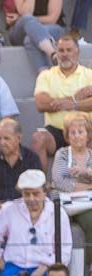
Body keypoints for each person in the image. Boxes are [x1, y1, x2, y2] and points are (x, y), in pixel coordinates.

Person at [0, 169, 72, 276]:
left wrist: (43, 269)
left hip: (47, 267)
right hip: (14, 265)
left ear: (44, 191)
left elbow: (65, 248)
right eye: (26, 194)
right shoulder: (9, 210)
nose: (31, 199)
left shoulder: (57, 212)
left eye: (36, 194)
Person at [31, 32, 92, 174]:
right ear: (56, 53)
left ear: (77, 53)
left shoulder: (89, 75)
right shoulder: (46, 75)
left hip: (86, 128)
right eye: (61, 50)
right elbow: (41, 104)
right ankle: (40, 188)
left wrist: (73, 104)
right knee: (38, 138)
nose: (64, 54)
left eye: (69, 50)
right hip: (56, 130)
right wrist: (74, 99)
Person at [0, 118, 42, 227]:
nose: (2, 143)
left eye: (6, 138)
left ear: (18, 138)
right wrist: (2, 208)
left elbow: (36, 189)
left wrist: (19, 209)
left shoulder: (31, 158)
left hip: (25, 205)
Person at [51, 113, 92, 259]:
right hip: (62, 203)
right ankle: (59, 264)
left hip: (86, 205)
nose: (76, 136)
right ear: (67, 136)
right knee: (56, 224)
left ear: (88, 135)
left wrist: (85, 172)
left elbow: (67, 181)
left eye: (80, 132)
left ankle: (90, 267)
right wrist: (88, 187)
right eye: (72, 132)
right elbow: (59, 182)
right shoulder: (61, 154)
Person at [4, 0, 64, 75]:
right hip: (20, 32)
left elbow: (52, 19)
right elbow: (26, 12)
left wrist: (28, 20)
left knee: (30, 39)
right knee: (27, 18)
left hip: (51, 29)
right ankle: (53, 54)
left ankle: (44, 76)